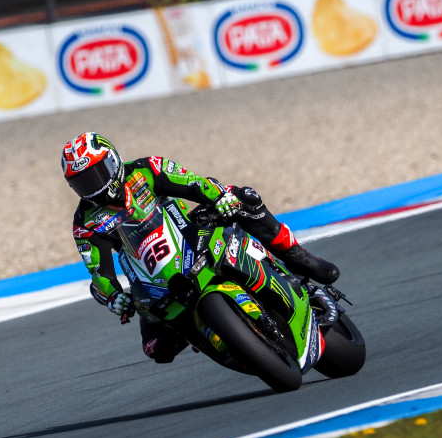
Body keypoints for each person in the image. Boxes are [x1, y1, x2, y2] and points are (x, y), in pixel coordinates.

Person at [62, 132, 340, 364]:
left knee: (242, 197)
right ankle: (212, 332)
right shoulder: (84, 222)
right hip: (154, 278)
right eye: (82, 183)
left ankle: (299, 258)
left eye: (98, 174)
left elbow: (193, 183)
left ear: (114, 162)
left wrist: (219, 197)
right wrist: (113, 298)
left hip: (192, 233)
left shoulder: (147, 169)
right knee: (155, 349)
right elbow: (99, 273)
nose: (94, 187)